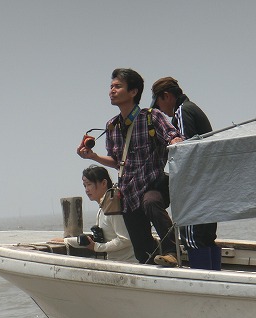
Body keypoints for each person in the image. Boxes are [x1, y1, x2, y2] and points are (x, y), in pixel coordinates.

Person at [77, 68, 183, 266]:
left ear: (133, 92)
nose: (112, 91)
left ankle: (172, 251)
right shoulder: (112, 126)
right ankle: (156, 269)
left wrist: (176, 140)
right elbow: (117, 161)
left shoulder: (152, 117)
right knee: (143, 253)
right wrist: (92, 156)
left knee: (151, 202)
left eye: (118, 86)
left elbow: (172, 136)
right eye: (111, 87)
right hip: (129, 192)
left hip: (154, 184)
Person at [151, 76, 221, 270]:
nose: (161, 111)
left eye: (159, 104)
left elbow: (183, 151)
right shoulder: (194, 109)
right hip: (208, 186)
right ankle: (213, 281)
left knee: (193, 239)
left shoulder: (182, 112)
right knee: (206, 238)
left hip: (195, 190)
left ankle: (203, 285)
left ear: (166, 96)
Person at [52, 165, 137, 263]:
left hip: (127, 263)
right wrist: (67, 241)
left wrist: (97, 247)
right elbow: (97, 238)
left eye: (89, 184)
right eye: (85, 186)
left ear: (104, 183)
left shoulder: (113, 209)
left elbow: (125, 240)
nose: (87, 190)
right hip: (115, 262)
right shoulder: (103, 208)